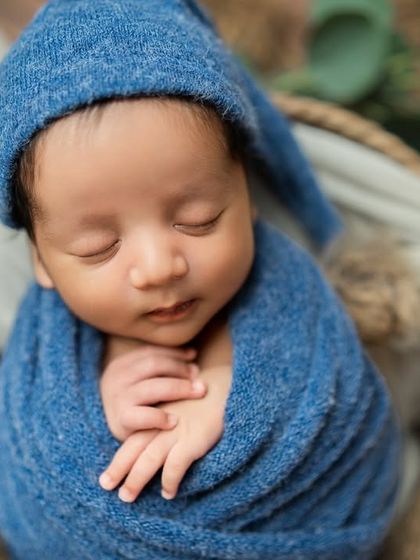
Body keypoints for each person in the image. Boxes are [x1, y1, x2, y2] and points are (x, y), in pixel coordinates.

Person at [0, 1, 399, 558]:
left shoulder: (293, 297)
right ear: (42, 261)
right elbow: (29, 466)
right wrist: (104, 390)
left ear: (247, 195)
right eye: (99, 247)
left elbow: (344, 402)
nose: (160, 266)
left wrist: (230, 393)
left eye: (198, 219)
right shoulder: (42, 350)